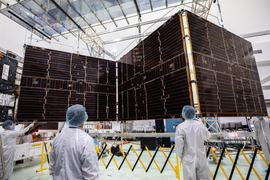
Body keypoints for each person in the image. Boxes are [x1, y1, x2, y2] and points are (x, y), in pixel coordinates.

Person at [49, 104, 99, 180]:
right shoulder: (86, 140)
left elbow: (52, 167)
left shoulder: (57, 138)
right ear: (84, 118)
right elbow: (91, 174)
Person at [175, 105, 211, 180]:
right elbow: (208, 136)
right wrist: (201, 124)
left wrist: (181, 155)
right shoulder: (200, 125)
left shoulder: (181, 127)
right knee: (204, 177)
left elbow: (179, 144)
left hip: (188, 157)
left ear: (184, 114)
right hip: (201, 157)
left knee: (190, 178)